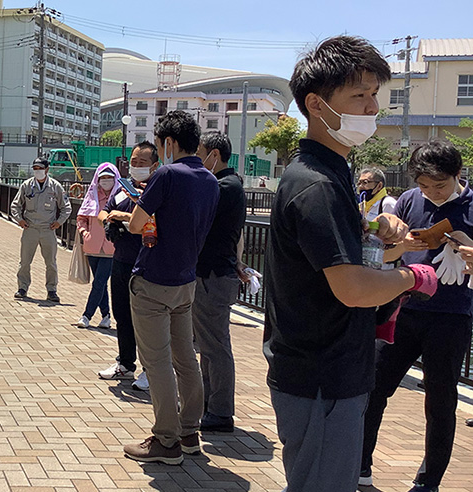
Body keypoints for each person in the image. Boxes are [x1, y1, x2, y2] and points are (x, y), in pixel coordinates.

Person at [265, 35, 436, 492]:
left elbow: (340, 264)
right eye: (358, 95)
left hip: (329, 367)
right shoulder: (317, 184)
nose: (371, 106)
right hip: (323, 374)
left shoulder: (334, 173)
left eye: (374, 94)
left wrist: (380, 239)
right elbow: (353, 289)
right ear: (317, 105)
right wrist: (413, 277)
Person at [360, 141, 473, 492]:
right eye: (425, 186)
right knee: (374, 388)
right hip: (405, 307)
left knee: (440, 400)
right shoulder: (409, 200)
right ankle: (360, 466)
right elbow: (388, 253)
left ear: (458, 176)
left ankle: (429, 481)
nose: (431, 193)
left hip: (452, 315)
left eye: (439, 186)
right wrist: (402, 245)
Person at [121, 110, 219, 465]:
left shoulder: (166, 175)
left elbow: (135, 225)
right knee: (185, 359)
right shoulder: (209, 180)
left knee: (156, 360)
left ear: (169, 143)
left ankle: (165, 439)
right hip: (185, 280)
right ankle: (189, 432)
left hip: (153, 279)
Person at [191, 132, 247, 433]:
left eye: (199, 153)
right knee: (210, 346)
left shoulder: (225, 186)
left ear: (214, 154)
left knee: (215, 346)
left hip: (213, 276)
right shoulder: (228, 184)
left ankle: (221, 411)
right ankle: (209, 405)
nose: (197, 159)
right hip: (212, 274)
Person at [97, 141, 158, 388]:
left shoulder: (156, 189)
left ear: (155, 166)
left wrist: (123, 217)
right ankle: (125, 363)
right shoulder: (123, 187)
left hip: (144, 262)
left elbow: (150, 219)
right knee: (121, 313)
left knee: (144, 319)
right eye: (133, 162)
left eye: (142, 163)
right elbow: (105, 211)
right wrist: (107, 221)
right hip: (120, 258)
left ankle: (150, 369)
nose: (136, 167)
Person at [11, 156, 71, 302]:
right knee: (25, 261)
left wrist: (59, 222)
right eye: (35, 169)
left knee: (50, 262)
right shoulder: (26, 185)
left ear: (47, 170)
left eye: (40, 169)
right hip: (30, 228)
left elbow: (66, 207)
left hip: (47, 229)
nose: (38, 171)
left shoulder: (55, 186)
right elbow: (15, 205)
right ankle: (22, 288)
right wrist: (19, 220)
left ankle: (52, 290)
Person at [74, 163, 120, 328]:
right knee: (99, 283)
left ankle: (86, 316)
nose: (106, 180)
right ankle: (106, 316)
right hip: (92, 246)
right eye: (103, 177)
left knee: (99, 282)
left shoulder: (120, 196)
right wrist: (84, 232)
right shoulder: (92, 195)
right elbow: (81, 218)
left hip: (111, 248)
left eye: (109, 177)